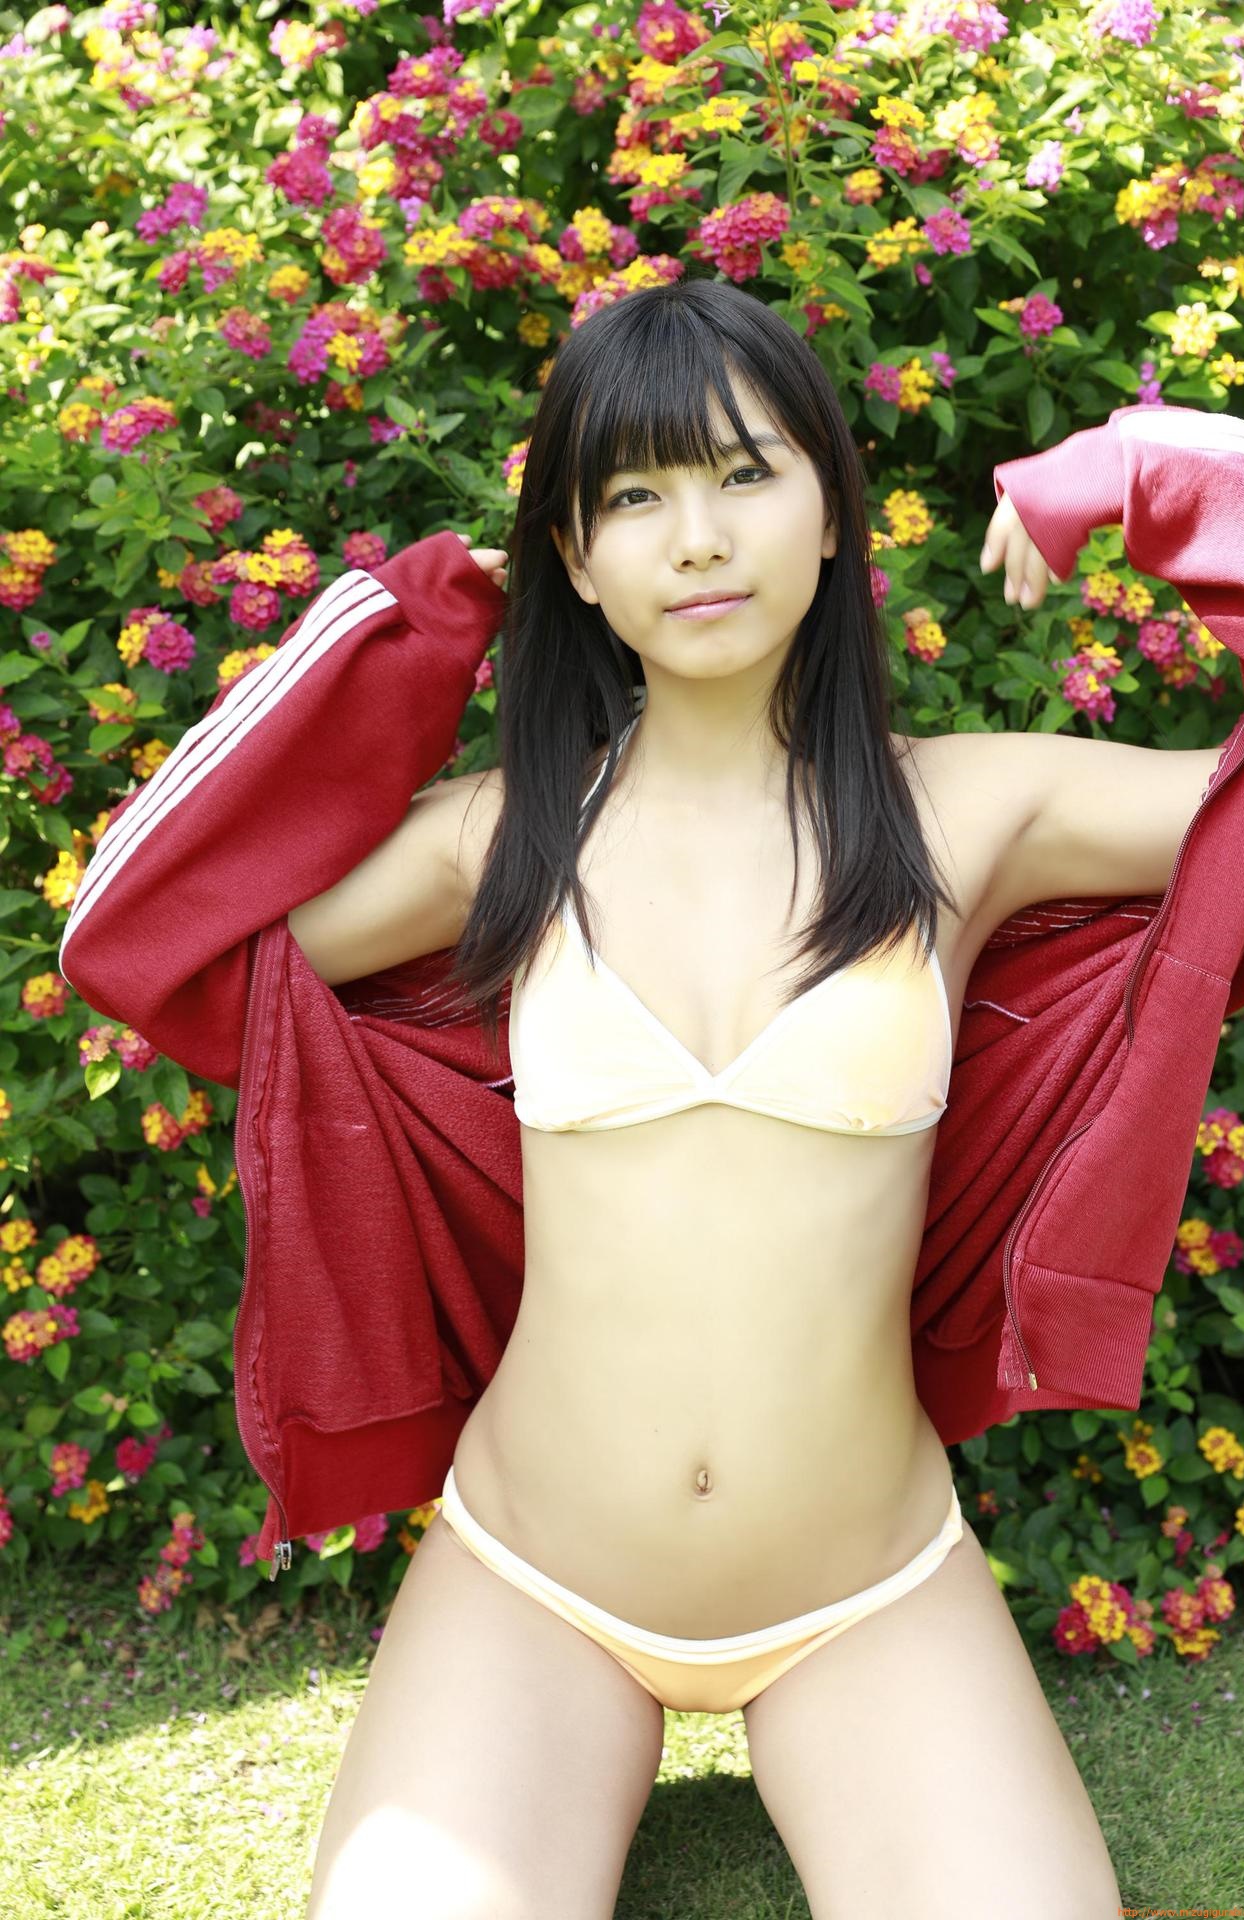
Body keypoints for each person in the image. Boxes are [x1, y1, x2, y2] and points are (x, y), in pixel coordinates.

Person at [295, 279, 1126, 1918]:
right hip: (534, 1577)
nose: (697, 539)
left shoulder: (973, 813)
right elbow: (169, 947)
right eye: (633, 497)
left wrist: (1166, 478)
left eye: (747, 474)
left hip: (868, 1591)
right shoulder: (499, 841)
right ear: (575, 558)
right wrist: (396, 649)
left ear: (832, 510)